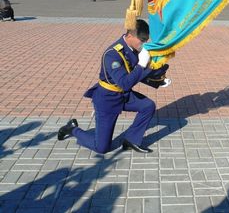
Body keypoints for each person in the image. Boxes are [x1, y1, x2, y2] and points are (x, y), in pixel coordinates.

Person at [57, 19, 170, 154]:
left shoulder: (133, 49)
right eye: (142, 40)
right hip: (107, 99)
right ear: (129, 36)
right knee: (102, 148)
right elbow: (125, 83)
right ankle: (72, 129)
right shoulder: (112, 54)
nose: (144, 43)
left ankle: (131, 140)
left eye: (146, 40)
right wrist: (141, 65)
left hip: (123, 95)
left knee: (148, 106)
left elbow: (135, 74)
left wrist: (157, 79)